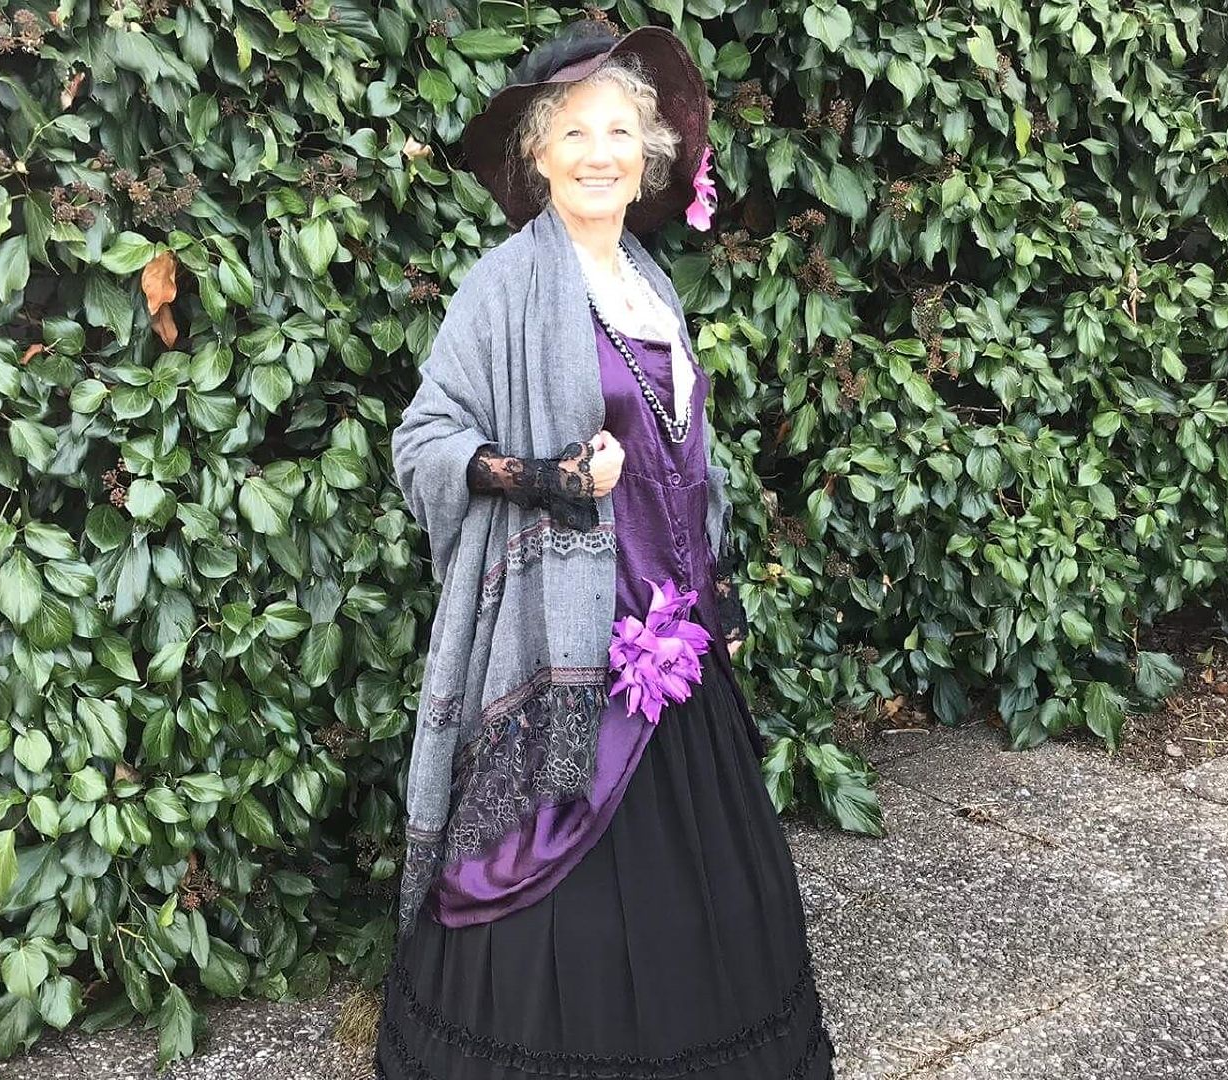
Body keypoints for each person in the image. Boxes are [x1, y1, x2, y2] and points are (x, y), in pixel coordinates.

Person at [380, 20, 833, 1080]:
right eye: (574, 130)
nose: (599, 151)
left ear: (650, 153)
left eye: (620, 130)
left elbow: (682, 457)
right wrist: (548, 479)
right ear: (538, 154)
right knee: (549, 885)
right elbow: (426, 443)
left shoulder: (647, 283)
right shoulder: (505, 287)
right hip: (566, 642)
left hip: (672, 641)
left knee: (705, 881)